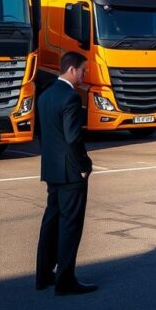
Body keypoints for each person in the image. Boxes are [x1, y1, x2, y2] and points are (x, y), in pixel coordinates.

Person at [35, 51, 97, 296]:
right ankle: (65, 280)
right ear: (72, 69)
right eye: (83, 70)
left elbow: (43, 135)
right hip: (70, 172)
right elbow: (73, 138)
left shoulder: (45, 95)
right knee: (70, 226)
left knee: (51, 222)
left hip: (51, 169)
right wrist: (83, 165)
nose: (85, 74)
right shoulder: (71, 97)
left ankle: (43, 275)